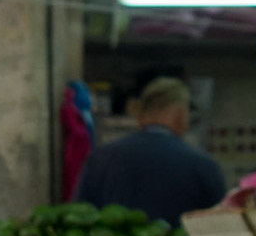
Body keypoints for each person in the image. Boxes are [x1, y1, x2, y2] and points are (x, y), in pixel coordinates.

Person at [74, 77, 226, 226]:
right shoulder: (204, 166)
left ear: (140, 117)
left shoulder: (99, 159)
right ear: (181, 116)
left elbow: (78, 219)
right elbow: (219, 232)